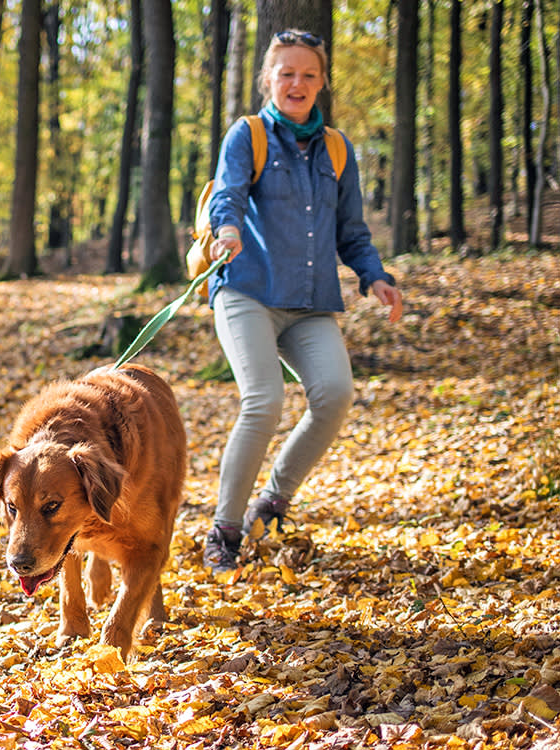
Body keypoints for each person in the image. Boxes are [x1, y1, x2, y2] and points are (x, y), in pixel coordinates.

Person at [203, 29, 403, 572]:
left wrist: (374, 277)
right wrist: (227, 230)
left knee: (335, 394)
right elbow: (228, 193)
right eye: (286, 73)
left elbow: (352, 230)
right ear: (269, 79)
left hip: (310, 302)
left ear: (321, 83)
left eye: (308, 74)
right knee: (263, 401)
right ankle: (223, 530)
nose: (297, 83)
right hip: (247, 290)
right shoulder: (248, 135)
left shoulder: (337, 149)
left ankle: (272, 502)